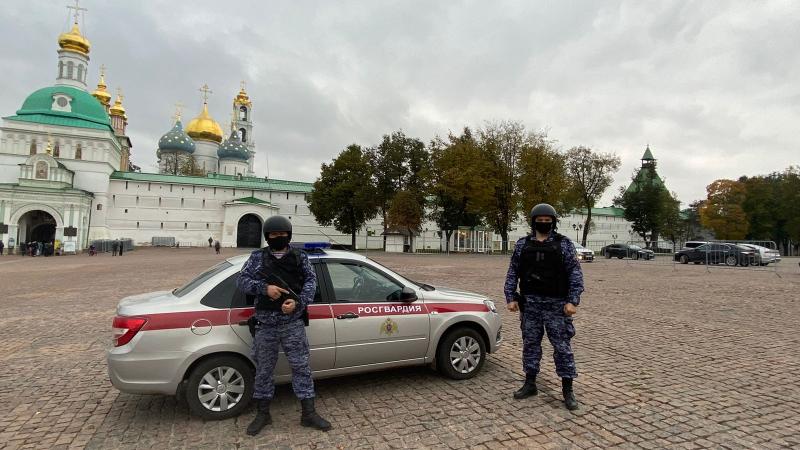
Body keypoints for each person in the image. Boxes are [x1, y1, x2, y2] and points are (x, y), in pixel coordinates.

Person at [236, 215, 331, 436]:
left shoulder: (300, 257)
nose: (278, 238)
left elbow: (310, 282)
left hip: (292, 323)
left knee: (301, 369)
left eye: (282, 234)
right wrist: (264, 288)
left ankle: (308, 414)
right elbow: (242, 281)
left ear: (288, 235)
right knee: (264, 371)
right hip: (266, 325)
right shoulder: (257, 257)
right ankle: (263, 414)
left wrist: (298, 302)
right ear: (267, 236)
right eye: (273, 235)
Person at [504, 203, 584, 411]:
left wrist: (572, 300)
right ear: (533, 222)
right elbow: (513, 272)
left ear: (554, 222)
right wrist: (510, 297)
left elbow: (575, 274)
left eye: (548, 221)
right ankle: (530, 384)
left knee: (562, 348)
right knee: (530, 346)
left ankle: (568, 390)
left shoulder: (564, 244)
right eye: (540, 220)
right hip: (530, 305)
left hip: (557, 306)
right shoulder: (522, 245)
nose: (544, 224)